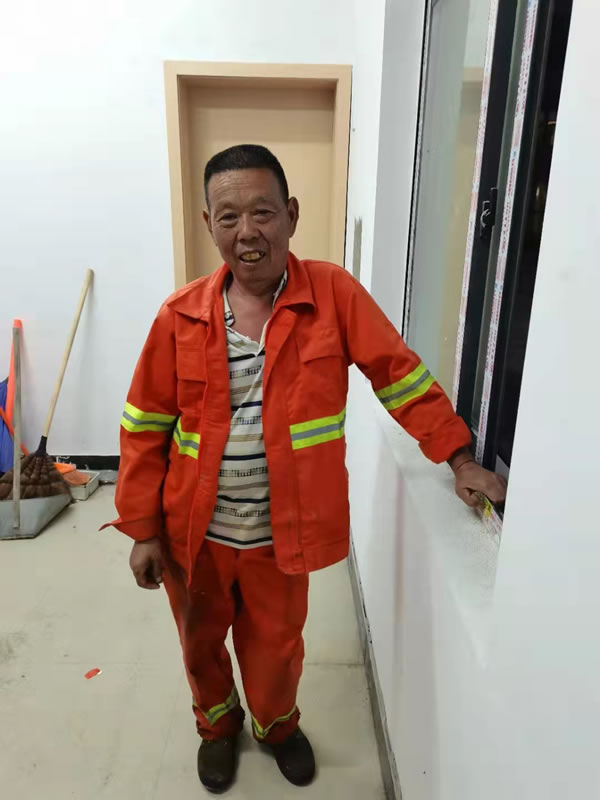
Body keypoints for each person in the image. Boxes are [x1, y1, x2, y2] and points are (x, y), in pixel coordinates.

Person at [104, 144, 507, 793]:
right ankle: (217, 728)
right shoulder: (178, 316)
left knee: (276, 650)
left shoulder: (333, 295)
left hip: (280, 539)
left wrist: (459, 456)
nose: (247, 232)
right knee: (200, 644)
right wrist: (143, 530)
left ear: (290, 215)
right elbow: (143, 428)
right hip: (193, 537)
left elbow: (398, 376)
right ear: (209, 225)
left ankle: (276, 728)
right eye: (229, 217)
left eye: (262, 212)